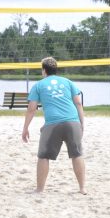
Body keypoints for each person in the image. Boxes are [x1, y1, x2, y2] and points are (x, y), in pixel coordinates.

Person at [21, 57, 87, 194]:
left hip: (53, 124)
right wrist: (81, 123)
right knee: (77, 154)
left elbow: (31, 109)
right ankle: (82, 188)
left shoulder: (39, 85)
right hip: (72, 122)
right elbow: (78, 103)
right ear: (55, 69)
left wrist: (25, 128)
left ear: (43, 70)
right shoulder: (68, 82)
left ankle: (39, 189)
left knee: (43, 156)